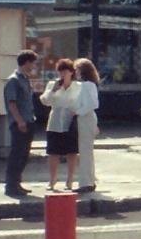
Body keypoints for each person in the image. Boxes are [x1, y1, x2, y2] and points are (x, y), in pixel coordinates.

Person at [39, 59, 80, 192]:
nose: (62, 74)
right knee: (53, 152)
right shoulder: (53, 84)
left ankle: (70, 180)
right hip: (55, 122)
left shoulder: (78, 86)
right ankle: (52, 179)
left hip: (70, 122)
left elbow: (82, 103)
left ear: (71, 72)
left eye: (65, 71)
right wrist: (54, 90)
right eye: (60, 71)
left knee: (72, 152)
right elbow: (45, 101)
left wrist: (77, 111)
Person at [3, 49, 38, 198]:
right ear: (26, 62)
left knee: (24, 155)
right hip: (20, 123)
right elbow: (12, 103)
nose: (34, 66)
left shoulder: (25, 79)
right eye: (32, 63)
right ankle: (10, 186)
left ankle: (17, 183)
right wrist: (19, 121)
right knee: (17, 154)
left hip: (29, 120)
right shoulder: (14, 80)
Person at [73, 58, 101, 194]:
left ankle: (86, 183)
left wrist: (77, 111)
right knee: (86, 152)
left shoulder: (87, 85)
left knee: (85, 152)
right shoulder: (86, 84)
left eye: (77, 69)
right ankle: (90, 180)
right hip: (86, 118)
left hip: (86, 117)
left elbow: (92, 104)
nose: (75, 72)